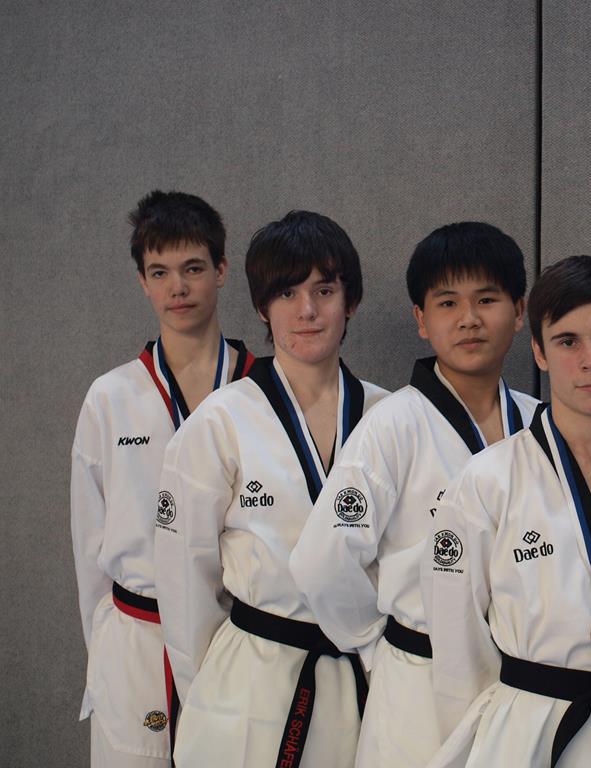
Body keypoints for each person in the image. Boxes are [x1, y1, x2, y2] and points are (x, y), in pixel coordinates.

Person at [290, 221, 540, 768]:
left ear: (519, 311)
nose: (469, 318)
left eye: (487, 300)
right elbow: (321, 561)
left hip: (522, 685)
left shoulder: (540, 424)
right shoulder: (393, 424)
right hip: (418, 680)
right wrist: (376, 644)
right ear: (421, 320)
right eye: (448, 303)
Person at [428, 255, 591, 768]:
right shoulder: (488, 482)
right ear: (539, 352)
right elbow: (458, 647)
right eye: (568, 341)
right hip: (527, 734)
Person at [153, 211, 388, 768]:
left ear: (350, 301)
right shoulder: (220, 422)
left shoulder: (390, 417)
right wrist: (210, 692)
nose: (307, 310)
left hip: (365, 678)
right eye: (286, 293)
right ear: (262, 307)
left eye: (324, 290)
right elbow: (184, 582)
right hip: (250, 681)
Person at [71, 190, 254, 767]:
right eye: (160, 272)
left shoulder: (263, 391)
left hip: (237, 636)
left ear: (221, 271)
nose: (178, 287)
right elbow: (89, 547)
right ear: (142, 282)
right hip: (138, 638)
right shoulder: (111, 397)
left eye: (193, 268)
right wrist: (105, 649)